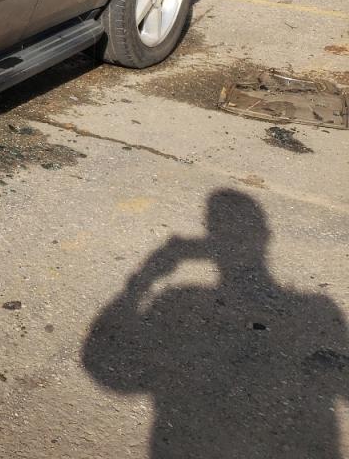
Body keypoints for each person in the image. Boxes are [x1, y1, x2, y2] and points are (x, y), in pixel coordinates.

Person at [82, 189, 349, 458]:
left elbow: (105, 368)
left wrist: (143, 280)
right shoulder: (317, 309)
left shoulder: (178, 300)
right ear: (266, 236)